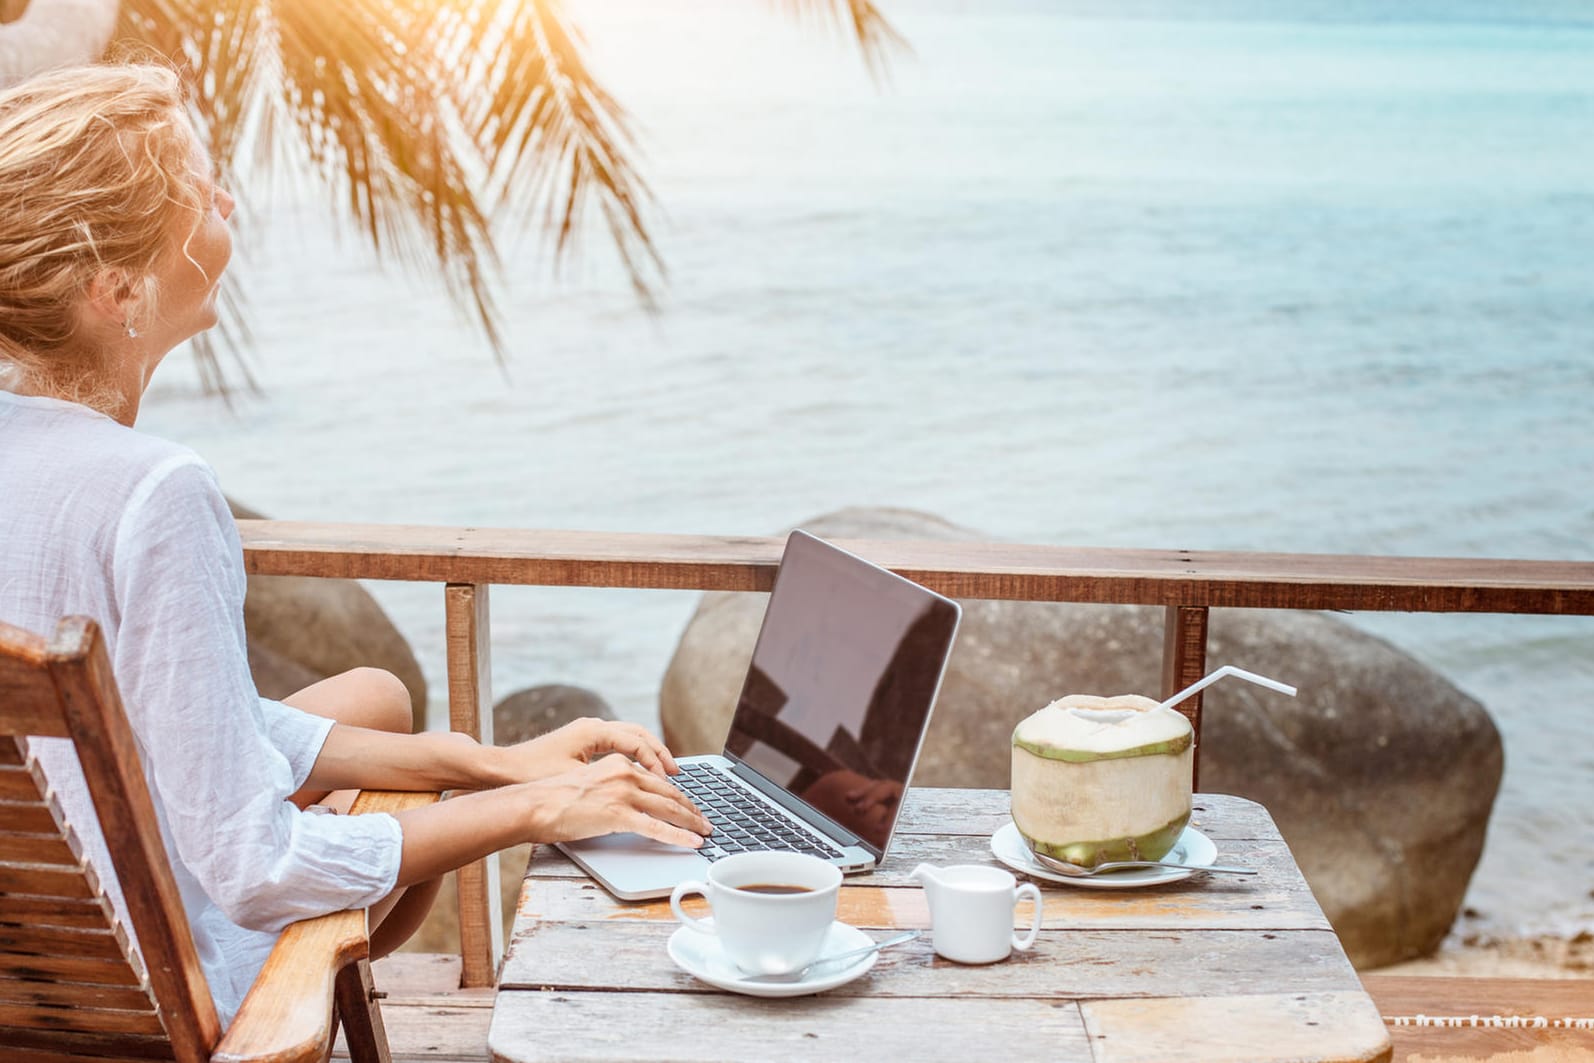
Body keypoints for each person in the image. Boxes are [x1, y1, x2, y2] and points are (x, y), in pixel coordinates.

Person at [0, 63, 711, 1025]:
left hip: (33, 953)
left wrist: (489, 761)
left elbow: (186, 714)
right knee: (395, 815)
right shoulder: (153, 494)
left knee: (378, 699)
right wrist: (537, 810)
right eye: (197, 195)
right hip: (154, 994)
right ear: (116, 287)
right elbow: (254, 868)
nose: (226, 202)